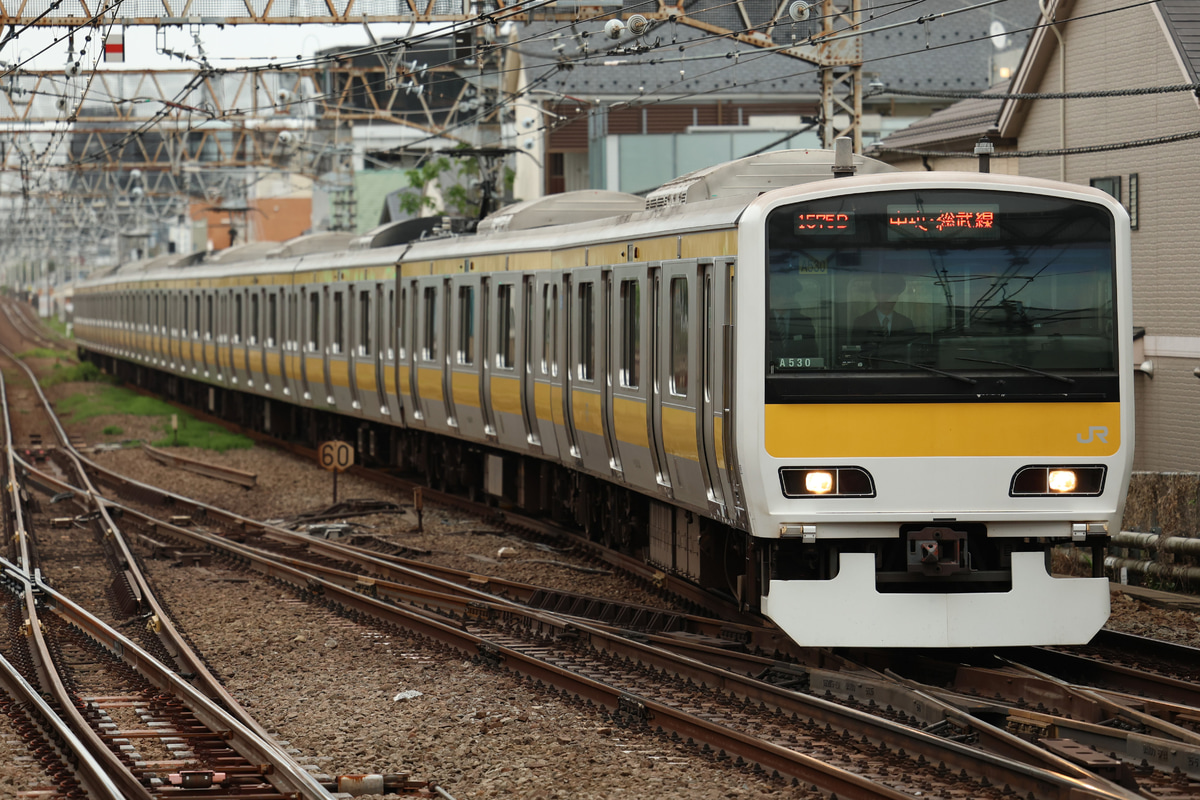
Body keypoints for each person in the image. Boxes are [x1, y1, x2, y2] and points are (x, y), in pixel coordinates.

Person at [851, 273, 915, 350]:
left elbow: (911, 354)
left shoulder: (906, 323)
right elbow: (855, 353)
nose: (889, 297)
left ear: (897, 296)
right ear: (876, 294)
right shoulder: (861, 322)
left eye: (893, 292)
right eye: (885, 292)